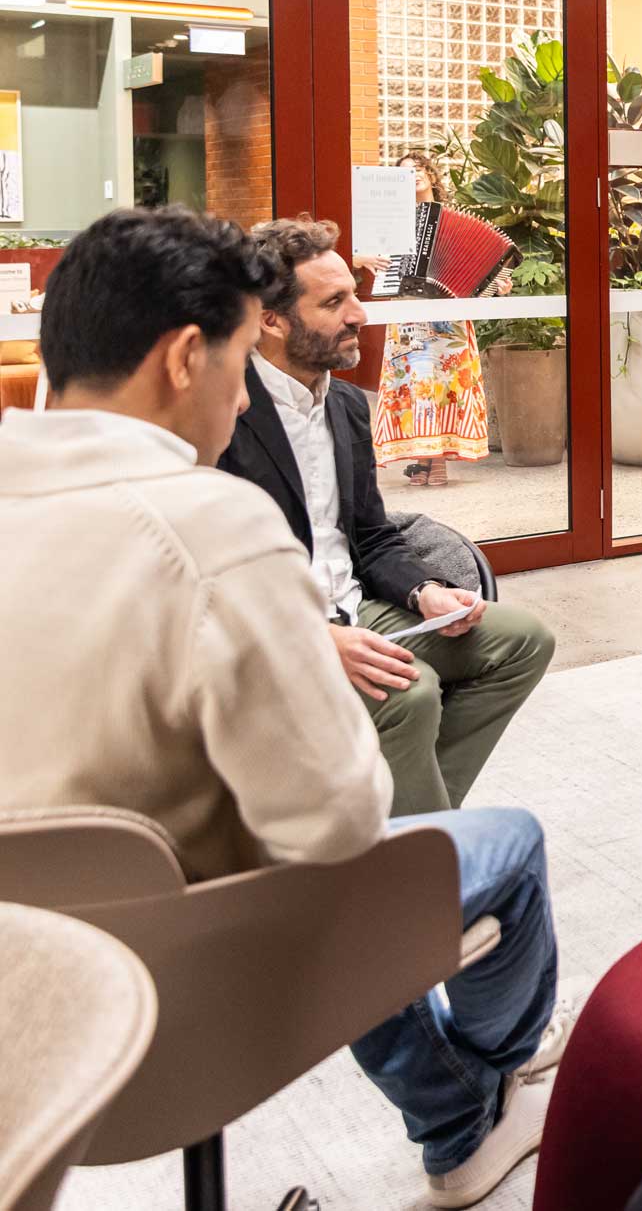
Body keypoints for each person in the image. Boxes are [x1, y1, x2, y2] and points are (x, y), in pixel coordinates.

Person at [0, 206, 571, 1208]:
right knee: (493, 843)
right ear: (188, 356)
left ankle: (467, 1103)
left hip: (29, 1005)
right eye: (231, 357)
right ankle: (467, 1114)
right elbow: (331, 824)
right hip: (183, 996)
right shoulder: (211, 524)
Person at [218, 215, 555, 817]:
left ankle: (396, 832)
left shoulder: (346, 405)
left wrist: (425, 591)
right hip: (279, 630)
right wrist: (316, 640)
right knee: (411, 693)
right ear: (270, 320)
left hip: (357, 602)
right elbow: (208, 576)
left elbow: (371, 537)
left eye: (354, 294)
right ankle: (431, 866)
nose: (360, 315)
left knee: (523, 641)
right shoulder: (222, 408)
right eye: (335, 302)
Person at [356, 150, 500, 488]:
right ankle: (424, 459)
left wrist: (498, 284)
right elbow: (353, 250)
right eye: (405, 172)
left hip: (449, 316)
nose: (414, 175)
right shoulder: (391, 220)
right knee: (418, 384)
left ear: (431, 176)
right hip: (408, 313)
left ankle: (436, 462)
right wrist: (363, 257)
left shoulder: (456, 219)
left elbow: (481, 272)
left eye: (419, 169)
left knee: (446, 385)